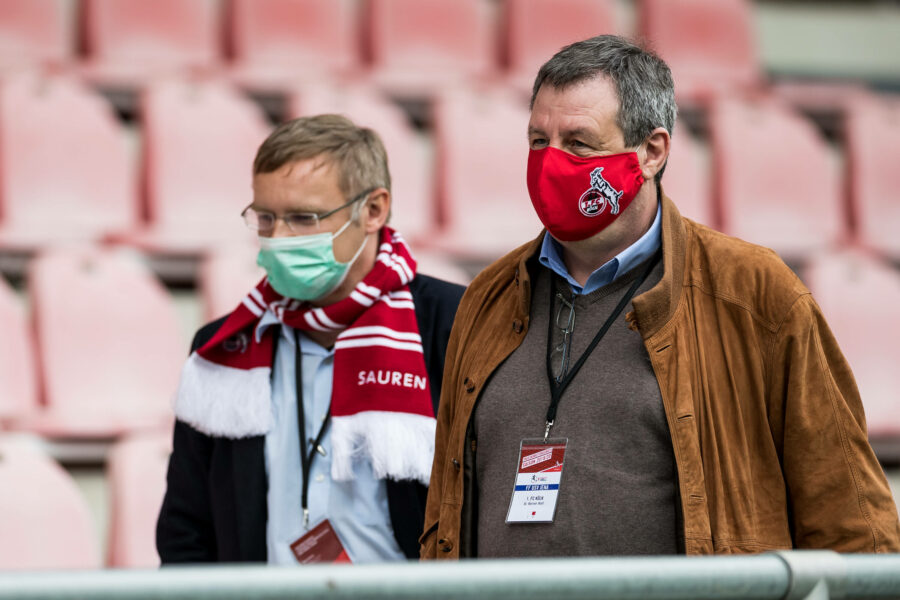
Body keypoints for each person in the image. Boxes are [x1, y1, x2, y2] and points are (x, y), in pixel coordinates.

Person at [421, 35, 900, 559]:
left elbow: (851, 520)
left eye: (579, 143)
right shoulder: (488, 298)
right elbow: (446, 508)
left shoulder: (755, 294)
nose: (551, 163)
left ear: (651, 152)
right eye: (539, 141)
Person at [157, 114, 464, 564]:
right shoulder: (223, 347)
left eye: (303, 218)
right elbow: (187, 530)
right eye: (265, 218)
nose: (278, 239)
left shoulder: (456, 326)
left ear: (373, 210)